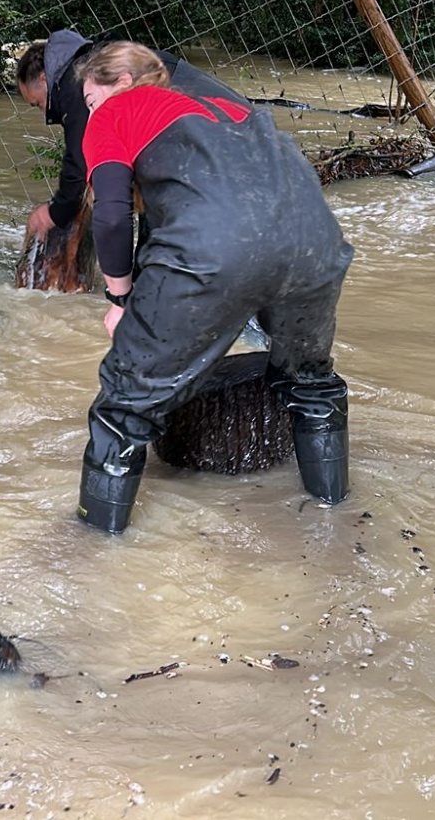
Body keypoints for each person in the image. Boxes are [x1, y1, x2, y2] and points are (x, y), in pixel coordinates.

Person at [72, 43, 354, 533]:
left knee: (124, 409)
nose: (89, 110)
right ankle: (336, 517)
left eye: (90, 98)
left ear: (119, 81)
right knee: (312, 385)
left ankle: (91, 551)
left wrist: (120, 298)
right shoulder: (225, 107)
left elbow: (112, 215)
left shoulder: (117, 110)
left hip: (214, 248)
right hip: (317, 243)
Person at [15, 29, 249, 245]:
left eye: (37, 103)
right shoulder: (90, 62)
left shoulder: (74, 79)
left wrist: (54, 212)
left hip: (221, 132)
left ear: (45, 78)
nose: (44, 112)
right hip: (239, 133)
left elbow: (80, 159)